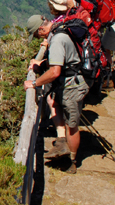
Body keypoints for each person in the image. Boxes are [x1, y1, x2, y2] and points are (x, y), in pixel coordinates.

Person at [24, 14, 89, 174]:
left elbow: (54, 72)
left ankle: (70, 162)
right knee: (53, 102)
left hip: (73, 85)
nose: (38, 37)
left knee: (72, 125)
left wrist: (34, 83)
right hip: (67, 82)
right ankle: (61, 141)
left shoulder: (57, 40)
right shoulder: (57, 31)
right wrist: (41, 65)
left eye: (36, 34)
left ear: (41, 28)